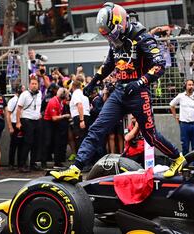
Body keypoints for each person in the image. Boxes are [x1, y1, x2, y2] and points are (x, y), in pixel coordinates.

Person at [50, 2, 183, 182]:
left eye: (111, 34)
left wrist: (139, 82)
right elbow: (108, 64)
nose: (111, 39)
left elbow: (159, 65)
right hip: (120, 91)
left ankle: (177, 158)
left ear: (120, 23)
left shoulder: (142, 37)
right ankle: (76, 168)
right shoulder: (115, 41)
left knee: (150, 136)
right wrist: (93, 82)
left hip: (138, 93)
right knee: (97, 129)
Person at [170, 79, 194, 158]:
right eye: (189, 85)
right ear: (185, 86)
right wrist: (175, 116)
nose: (191, 87)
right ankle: (185, 166)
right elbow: (172, 105)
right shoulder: (180, 96)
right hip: (184, 125)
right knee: (185, 147)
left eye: (192, 85)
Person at [16, 77, 42, 172]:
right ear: (29, 85)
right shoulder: (24, 95)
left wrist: (39, 114)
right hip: (27, 120)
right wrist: (18, 122)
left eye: (36, 83)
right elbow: (19, 108)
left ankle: (33, 163)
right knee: (28, 142)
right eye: (32, 83)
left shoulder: (40, 94)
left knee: (36, 143)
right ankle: (22, 165)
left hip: (36, 120)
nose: (34, 85)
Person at [43, 87, 70, 168]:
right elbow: (54, 118)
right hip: (49, 123)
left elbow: (67, 101)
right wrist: (65, 116)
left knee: (58, 142)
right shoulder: (53, 102)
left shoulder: (60, 101)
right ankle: (43, 161)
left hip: (55, 123)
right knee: (47, 142)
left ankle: (57, 162)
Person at [5, 84, 24, 170]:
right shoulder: (13, 100)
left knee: (21, 145)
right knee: (13, 145)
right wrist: (10, 127)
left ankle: (20, 163)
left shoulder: (22, 100)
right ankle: (11, 163)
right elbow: (8, 114)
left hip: (21, 123)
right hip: (14, 123)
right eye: (22, 89)